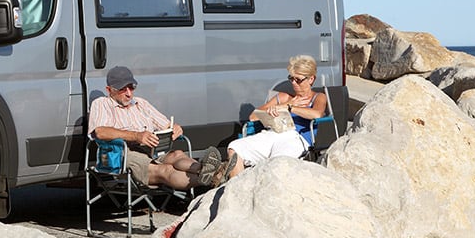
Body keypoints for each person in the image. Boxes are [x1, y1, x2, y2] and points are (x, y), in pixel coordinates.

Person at [88, 66, 221, 189]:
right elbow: (100, 132)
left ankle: (207, 170)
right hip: (123, 153)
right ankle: (216, 177)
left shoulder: (141, 103)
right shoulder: (102, 104)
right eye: (123, 89)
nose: (129, 93)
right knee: (166, 170)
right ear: (109, 90)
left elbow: (165, 124)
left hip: (151, 149)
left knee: (177, 154)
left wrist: (175, 128)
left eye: (131, 87)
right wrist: (137, 136)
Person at [217, 55, 328, 185]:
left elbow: (317, 114)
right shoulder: (283, 97)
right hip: (272, 133)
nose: (293, 83)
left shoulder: (318, 97)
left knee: (276, 163)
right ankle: (238, 189)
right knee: (234, 148)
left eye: (298, 80)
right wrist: (283, 105)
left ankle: (224, 176)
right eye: (291, 79)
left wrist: (291, 108)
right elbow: (253, 116)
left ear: (311, 79)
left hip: (296, 138)